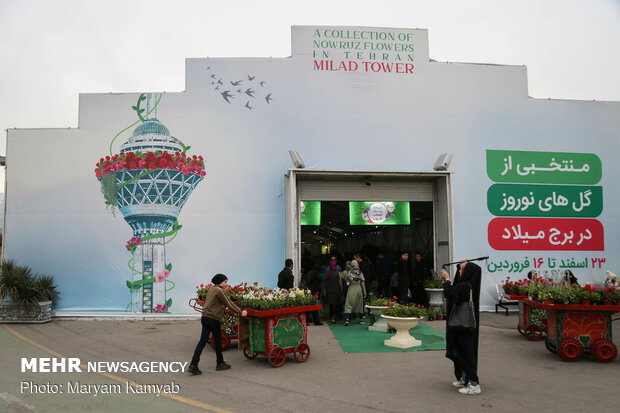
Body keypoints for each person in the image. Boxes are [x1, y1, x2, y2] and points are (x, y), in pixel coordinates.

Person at [189, 274, 248, 374]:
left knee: (202, 341)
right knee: (218, 341)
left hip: (205, 317)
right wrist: (240, 312)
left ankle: (193, 364)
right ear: (220, 282)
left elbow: (213, 303)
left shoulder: (211, 289)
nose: (226, 284)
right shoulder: (220, 290)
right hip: (213, 319)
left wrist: (223, 309)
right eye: (225, 282)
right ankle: (220, 363)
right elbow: (229, 302)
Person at [441, 261, 482, 395]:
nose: (459, 272)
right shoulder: (467, 285)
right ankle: (464, 378)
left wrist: (447, 280)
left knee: (466, 353)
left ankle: (474, 383)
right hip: (462, 326)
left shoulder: (466, 286)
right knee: (460, 351)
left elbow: (450, 294)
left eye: (462, 270)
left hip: (463, 326)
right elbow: (454, 291)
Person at [343, 260, 366, 326]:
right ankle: (361, 319)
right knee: (360, 305)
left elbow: (346, 281)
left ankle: (347, 320)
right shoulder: (360, 273)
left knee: (348, 304)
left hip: (351, 289)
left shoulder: (349, 272)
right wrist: (365, 293)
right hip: (359, 289)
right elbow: (363, 284)